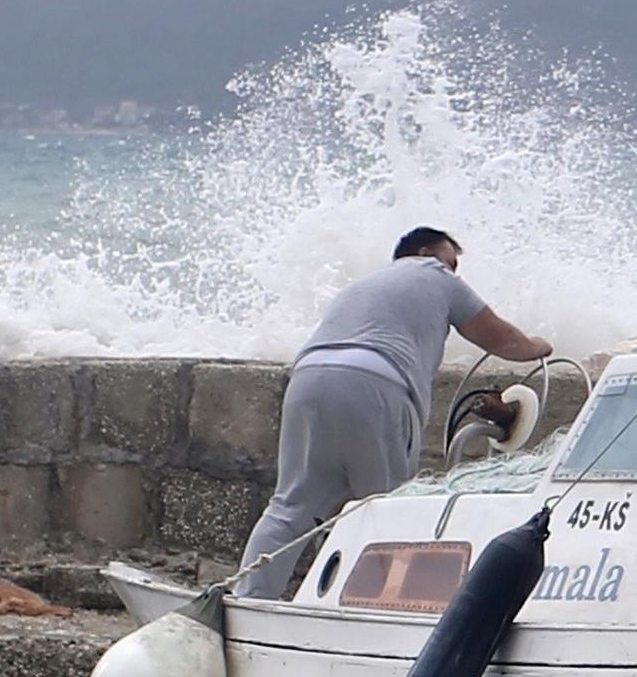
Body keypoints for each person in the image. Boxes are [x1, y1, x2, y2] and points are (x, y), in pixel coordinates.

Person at [236, 227, 552, 593]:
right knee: (389, 509)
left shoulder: (362, 286)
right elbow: (503, 340)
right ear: (424, 253)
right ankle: (381, 609)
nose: (454, 272)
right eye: (451, 262)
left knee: (290, 508)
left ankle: (245, 602)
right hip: (375, 383)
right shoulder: (434, 274)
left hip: (307, 379)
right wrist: (539, 346)